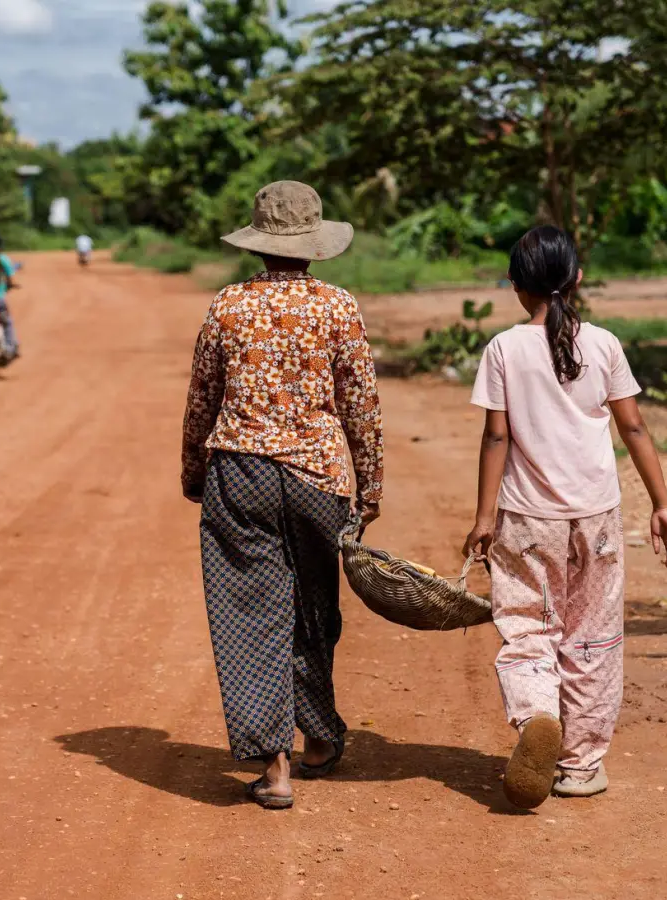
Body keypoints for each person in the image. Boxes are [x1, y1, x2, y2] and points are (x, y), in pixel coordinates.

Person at [463, 224, 667, 810]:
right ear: (577, 278)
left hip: (527, 519)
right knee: (592, 637)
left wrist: (485, 517)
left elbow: (495, 438)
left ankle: (537, 714)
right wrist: (662, 504)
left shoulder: (503, 349)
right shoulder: (605, 344)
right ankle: (582, 764)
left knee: (528, 627)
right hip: (598, 518)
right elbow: (632, 426)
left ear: (515, 286)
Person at [181, 181, 384, 810]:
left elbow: (202, 398)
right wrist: (370, 486)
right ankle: (319, 738)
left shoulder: (227, 306)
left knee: (250, 614)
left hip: (238, 474)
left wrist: (195, 473)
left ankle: (276, 767)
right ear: (314, 244)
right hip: (319, 480)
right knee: (314, 609)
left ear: (258, 242)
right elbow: (361, 405)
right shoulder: (338, 307)